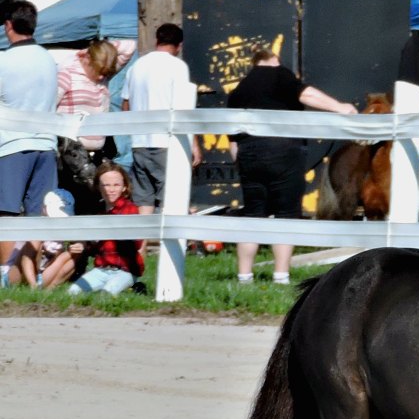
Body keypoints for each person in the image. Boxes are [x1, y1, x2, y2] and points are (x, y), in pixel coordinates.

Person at [227, 48, 357, 284]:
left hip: (249, 153)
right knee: (286, 213)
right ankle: (281, 276)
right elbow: (307, 95)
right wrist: (341, 107)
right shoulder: (280, 75)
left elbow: (233, 141)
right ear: (274, 61)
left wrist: (242, 161)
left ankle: (244, 276)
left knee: (253, 214)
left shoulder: (240, 89)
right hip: (284, 151)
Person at [0, 0, 57, 285]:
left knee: (7, 213)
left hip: (11, 144)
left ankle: (3, 277)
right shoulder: (48, 58)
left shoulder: (4, 61)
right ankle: (30, 278)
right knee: (37, 215)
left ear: (9, 26)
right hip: (46, 143)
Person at [121, 23, 201, 214]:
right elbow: (184, 107)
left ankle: (143, 243)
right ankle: (169, 242)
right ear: (179, 45)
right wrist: (195, 145)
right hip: (166, 141)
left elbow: (126, 105)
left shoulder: (137, 66)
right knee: (173, 196)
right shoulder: (178, 67)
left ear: (157, 40)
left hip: (139, 142)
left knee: (144, 199)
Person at [67, 162, 144, 296]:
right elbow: (94, 246)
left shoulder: (130, 209)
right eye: (106, 185)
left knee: (106, 294)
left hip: (125, 269)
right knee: (72, 293)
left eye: (116, 185)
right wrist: (83, 245)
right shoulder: (98, 212)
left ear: (124, 187)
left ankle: (133, 286)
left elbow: (138, 243)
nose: (111, 189)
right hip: (101, 269)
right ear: (98, 187)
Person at [14, 189, 84, 289]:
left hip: (44, 271)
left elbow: (80, 240)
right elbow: (26, 259)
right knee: (35, 243)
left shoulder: (65, 228)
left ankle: (47, 291)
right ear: (44, 209)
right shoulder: (38, 227)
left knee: (72, 254)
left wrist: (80, 245)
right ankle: (33, 287)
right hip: (20, 273)